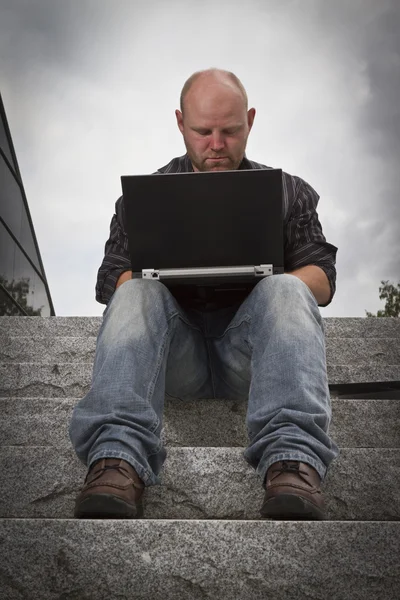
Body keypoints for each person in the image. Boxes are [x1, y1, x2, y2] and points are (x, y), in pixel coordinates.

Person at [69, 68, 340, 520]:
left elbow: (323, 278)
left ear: (250, 121)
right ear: (180, 124)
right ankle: (115, 458)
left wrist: (273, 280)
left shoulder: (289, 192)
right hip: (177, 358)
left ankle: (293, 461)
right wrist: (165, 275)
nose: (216, 144)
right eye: (203, 131)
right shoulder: (142, 199)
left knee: (289, 289)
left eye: (230, 131)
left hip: (253, 356)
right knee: (136, 290)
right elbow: (112, 281)